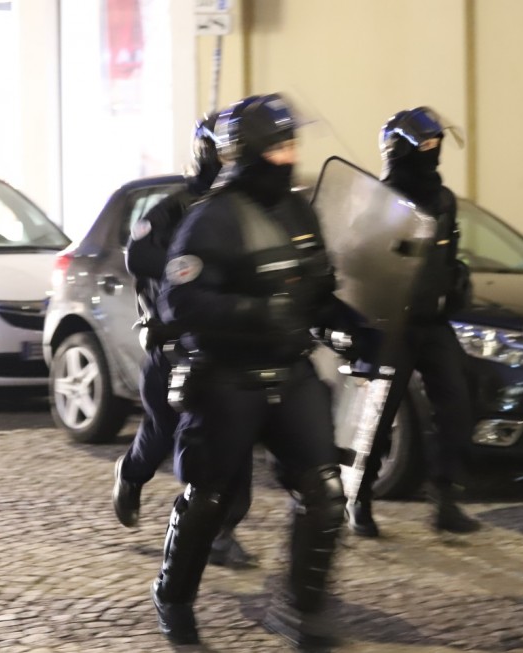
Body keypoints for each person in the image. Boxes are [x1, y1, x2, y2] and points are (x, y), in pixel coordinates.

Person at [150, 93, 354, 648]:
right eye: (279, 147)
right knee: (208, 500)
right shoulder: (210, 219)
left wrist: (352, 324)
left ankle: (302, 609)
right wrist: (255, 312)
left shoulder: (297, 210)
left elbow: (317, 288)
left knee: (325, 493)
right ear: (249, 152)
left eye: (292, 144)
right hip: (227, 378)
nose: (290, 156)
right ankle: (174, 598)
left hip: (291, 372)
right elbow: (180, 302)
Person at [112, 112, 256, 569]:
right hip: (173, 343)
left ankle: (222, 532)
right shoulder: (175, 207)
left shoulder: (244, 208)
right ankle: (131, 474)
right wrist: (191, 269)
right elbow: (139, 255)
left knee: (234, 439)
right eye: (225, 151)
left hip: (224, 346)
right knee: (162, 432)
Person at [347, 106, 480, 537]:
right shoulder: (379, 201)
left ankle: (445, 497)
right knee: (378, 417)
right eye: (425, 145)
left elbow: (448, 254)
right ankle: (359, 497)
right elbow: (357, 262)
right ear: (401, 150)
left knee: (457, 406)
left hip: (432, 324)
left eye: (436, 144)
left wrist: (455, 280)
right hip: (390, 327)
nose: (433, 151)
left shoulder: (443, 200)